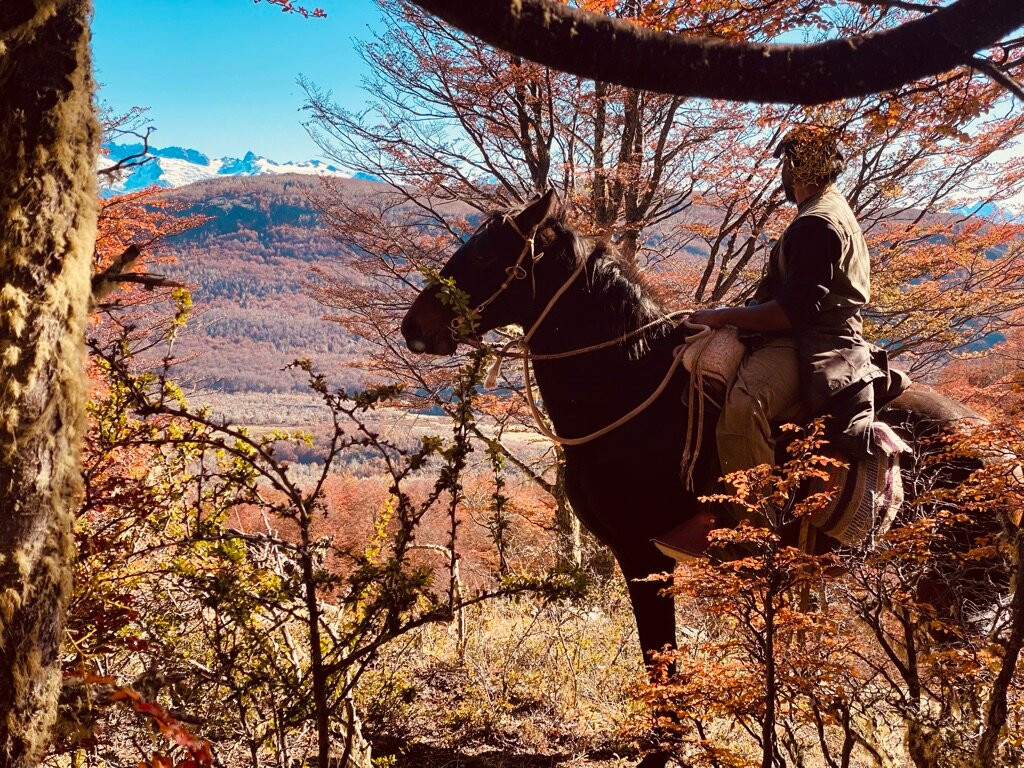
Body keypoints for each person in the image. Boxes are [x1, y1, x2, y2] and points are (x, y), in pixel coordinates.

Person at [690, 125, 888, 485]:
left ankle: (753, 525)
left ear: (794, 169)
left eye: (785, 165)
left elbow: (791, 312)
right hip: (818, 328)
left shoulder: (815, 222)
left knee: (744, 408)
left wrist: (722, 315)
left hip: (814, 340)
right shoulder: (828, 205)